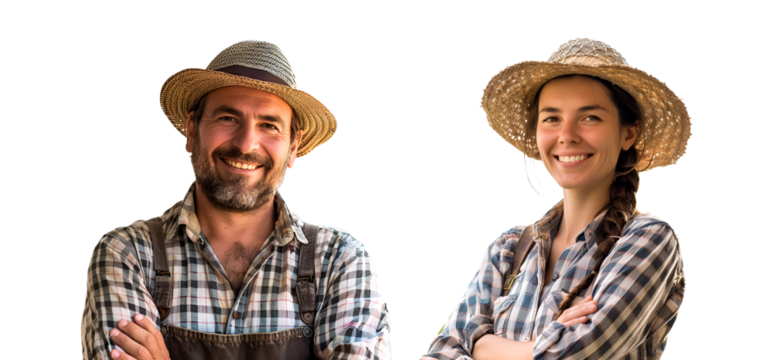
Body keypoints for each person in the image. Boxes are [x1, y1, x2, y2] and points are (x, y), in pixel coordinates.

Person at [81, 38, 392, 360]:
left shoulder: (339, 260)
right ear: (192, 129)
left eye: (269, 125)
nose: (246, 144)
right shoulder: (128, 254)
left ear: (293, 147)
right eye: (228, 118)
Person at [421, 36, 689, 359]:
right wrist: (541, 346)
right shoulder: (508, 248)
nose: (567, 135)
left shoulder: (649, 240)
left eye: (590, 118)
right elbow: (439, 352)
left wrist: (481, 346)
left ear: (627, 134)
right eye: (552, 118)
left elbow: (573, 356)